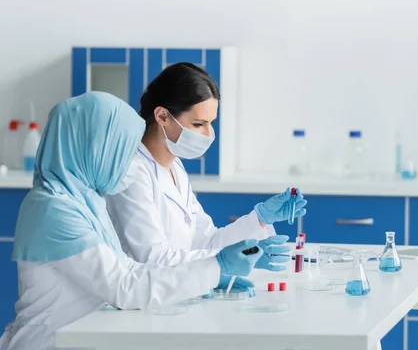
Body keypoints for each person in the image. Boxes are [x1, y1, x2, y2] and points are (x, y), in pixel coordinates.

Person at [0, 92, 263, 350]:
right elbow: (124, 287)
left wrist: (209, 275)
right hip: (51, 341)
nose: (129, 162)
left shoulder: (86, 199)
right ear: (92, 147)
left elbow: (129, 269)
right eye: (121, 150)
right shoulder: (54, 208)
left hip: (84, 333)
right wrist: (215, 268)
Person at [105, 63, 307, 270]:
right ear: (162, 116)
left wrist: (260, 219)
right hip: (145, 296)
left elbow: (207, 242)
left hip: (178, 291)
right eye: (199, 124)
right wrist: (222, 264)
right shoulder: (131, 172)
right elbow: (153, 258)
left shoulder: (175, 167)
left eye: (211, 123)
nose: (209, 134)